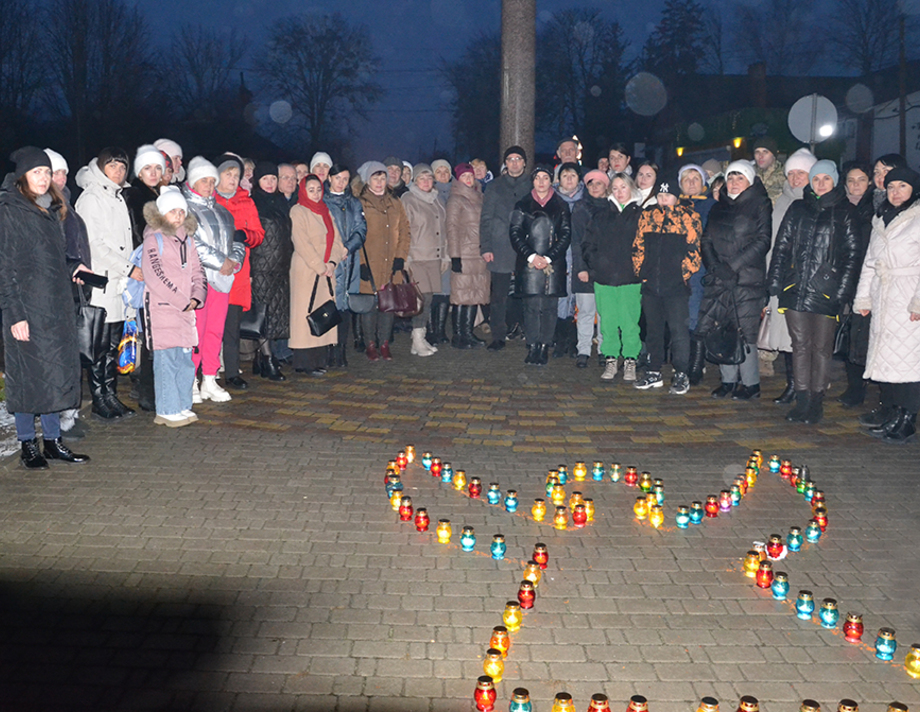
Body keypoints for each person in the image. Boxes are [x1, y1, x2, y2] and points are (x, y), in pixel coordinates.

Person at [0, 147, 89, 467]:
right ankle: (28, 445)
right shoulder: (10, 210)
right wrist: (15, 316)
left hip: (55, 309)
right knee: (27, 378)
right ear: (23, 176)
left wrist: (73, 270)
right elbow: (5, 267)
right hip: (25, 310)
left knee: (54, 375)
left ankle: (53, 441)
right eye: (36, 172)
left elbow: (49, 261)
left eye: (47, 172)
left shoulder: (51, 209)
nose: (43, 178)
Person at [767, 160, 860, 424]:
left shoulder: (845, 211)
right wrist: (775, 281)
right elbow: (781, 246)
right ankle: (802, 398)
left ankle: (817, 400)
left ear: (834, 181)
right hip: (796, 288)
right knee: (799, 346)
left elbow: (852, 255)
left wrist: (843, 291)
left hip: (826, 291)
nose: (820, 183)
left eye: (826, 179)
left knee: (821, 348)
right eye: (816, 178)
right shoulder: (798, 208)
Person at [853, 166, 920, 443]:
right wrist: (863, 297)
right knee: (889, 360)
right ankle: (893, 413)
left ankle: (908, 419)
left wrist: (918, 302)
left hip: (907, 298)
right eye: (891, 187)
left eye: (902, 186)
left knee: (910, 361)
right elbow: (870, 263)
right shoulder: (881, 219)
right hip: (884, 296)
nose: (895, 192)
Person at [696, 161, 771, 401]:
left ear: (749, 180)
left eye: (739, 178)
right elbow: (705, 240)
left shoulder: (760, 204)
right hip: (720, 277)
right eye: (730, 178)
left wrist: (733, 266)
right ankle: (727, 380)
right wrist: (715, 266)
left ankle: (750, 383)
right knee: (720, 327)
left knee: (745, 330)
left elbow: (762, 241)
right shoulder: (719, 207)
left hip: (747, 278)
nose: (734, 183)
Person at [75, 147, 138, 421]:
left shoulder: (118, 195)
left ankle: (111, 395)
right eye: (113, 166)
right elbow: (94, 244)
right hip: (102, 281)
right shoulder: (91, 198)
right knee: (99, 346)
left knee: (113, 345)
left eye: (123, 167)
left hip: (118, 283)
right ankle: (99, 398)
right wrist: (128, 268)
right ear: (101, 168)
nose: (119, 172)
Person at [140, 187, 206, 427]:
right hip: (163, 309)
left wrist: (197, 296)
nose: (178, 216)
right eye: (172, 211)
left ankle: (182, 404)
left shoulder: (188, 240)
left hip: (186, 311)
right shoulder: (153, 239)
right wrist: (181, 300)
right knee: (166, 359)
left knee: (185, 360)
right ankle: (167, 408)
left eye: (181, 211)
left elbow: (198, 271)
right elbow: (154, 275)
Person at [632, 176, 702, 394]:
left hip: (676, 287)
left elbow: (694, 251)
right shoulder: (647, 216)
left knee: (679, 331)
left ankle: (681, 374)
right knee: (653, 331)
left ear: (676, 196)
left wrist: (680, 274)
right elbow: (638, 246)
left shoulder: (689, 217)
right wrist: (642, 272)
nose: (663, 200)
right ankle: (654, 371)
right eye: (660, 196)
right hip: (651, 285)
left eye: (668, 196)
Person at [182, 156, 243, 403]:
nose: (208, 185)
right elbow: (191, 243)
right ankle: (191, 380)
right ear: (193, 181)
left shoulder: (223, 212)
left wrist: (234, 261)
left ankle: (210, 377)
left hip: (222, 281)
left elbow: (237, 240)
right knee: (196, 330)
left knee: (215, 330)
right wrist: (221, 261)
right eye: (203, 180)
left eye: (211, 181)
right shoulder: (185, 210)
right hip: (198, 281)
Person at [761, 148, 817, 402]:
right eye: (792, 173)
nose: (795, 179)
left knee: (805, 336)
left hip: (807, 279)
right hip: (781, 275)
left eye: (801, 173)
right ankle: (793, 383)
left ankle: (806, 387)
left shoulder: (817, 201)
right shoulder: (782, 200)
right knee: (785, 335)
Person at [46, 149, 92, 441]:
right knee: (60, 357)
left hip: (75, 288)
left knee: (73, 355)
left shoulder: (67, 204)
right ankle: (61, 419)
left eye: (63, 172)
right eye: (54, 173)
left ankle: (71, 414)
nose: (61, 178)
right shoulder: (46, 208)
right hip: (57, 292)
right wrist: (72, 267)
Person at [509, 165, 572, 365]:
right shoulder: (522, 204)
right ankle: (533, 345)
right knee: (532, 307)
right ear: (533, 181)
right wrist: (531, 256)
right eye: (538, 178)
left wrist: (549, 258)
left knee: (550, 307)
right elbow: (515, 232)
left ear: (551, 180)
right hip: (529, 264)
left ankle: (544, 345)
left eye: (546, 177)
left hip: (553, 264)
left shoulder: (561, 205)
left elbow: (566, 234)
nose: (542, 182)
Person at [581, 172, 642, 382]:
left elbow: (647, 247)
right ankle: (611, 358)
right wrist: (596, 264)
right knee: (607, 321)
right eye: (615, 188)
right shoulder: (601, 215)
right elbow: (588, 244)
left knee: (629, 322)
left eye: (623, 187)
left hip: (630, 279)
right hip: (604, 278)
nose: (619, 192)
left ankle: (631, 359)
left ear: (631, 188)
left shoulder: (641, 215)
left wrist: (641, 269)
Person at [213, 153, 265, 390]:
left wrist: (245, 235)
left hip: (237, 274)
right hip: (212, 273)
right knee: (210, 326)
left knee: (232, 327)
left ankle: (232, 372)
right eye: (228, 175)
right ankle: (209, 372)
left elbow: (258, 234)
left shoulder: (247, 202)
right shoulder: (208, 200)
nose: (233, 180)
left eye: (237, 175)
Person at [289, 174, 347, 374]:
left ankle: (319, 360)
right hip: (307, 270)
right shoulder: (298, 211)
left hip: (326, 272)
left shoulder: (326, 211)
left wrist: (332, 263)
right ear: (304, 191)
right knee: (305, 315)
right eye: (311, 190)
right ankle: (304, 363)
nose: (315, 194)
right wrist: (320, 266)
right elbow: (301, 242)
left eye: (318, 189)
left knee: (323, 313)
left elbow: (337, 241)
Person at [124, 144, 168, 412]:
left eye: (157, 168)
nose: (153, 172)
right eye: (148, 168)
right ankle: (147, 393)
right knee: (148, 334)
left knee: (159, 334)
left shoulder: (162, 194)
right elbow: (135, 235)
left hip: (163, 269)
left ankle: (156, 389)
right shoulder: (135, 196)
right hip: (146, 268)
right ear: (139, 171)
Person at [357, 161, 411, 361]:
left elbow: (405, 231)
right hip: (370, 262)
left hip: (391, 262)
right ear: (367, 180)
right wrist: (361, 263)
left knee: (388, 305)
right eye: (375, 178)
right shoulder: (360, 203)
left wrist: (400, 257)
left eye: (382, 178)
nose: (379, 183)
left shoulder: (395, 202)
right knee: (370, 305)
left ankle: (384, 343)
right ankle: (370, 344)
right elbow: (356, 235)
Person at [480, 146, 531, 351]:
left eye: (519, 159)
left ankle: (529, 333)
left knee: (528, 293)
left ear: (524, 162)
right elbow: (486, 217)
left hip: (526, 247)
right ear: (505, 163)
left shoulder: (533, 184)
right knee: (499, 296)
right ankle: (498, 335)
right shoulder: (494, 186)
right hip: (500, 246)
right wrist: (486, 246)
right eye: (510, 159)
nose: (515, 163)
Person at [249, 163, 293, 381]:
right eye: (265, 179)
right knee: (263, 315)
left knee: (275, 314)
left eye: (273, 179)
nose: (270, 183)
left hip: (281, 266)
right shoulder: (253, 203)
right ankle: (268, 360)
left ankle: (261, 359)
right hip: (261, 267)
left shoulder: (280, 203)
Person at [837, 161, 875, 407]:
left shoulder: (874, 209)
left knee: (863, 334)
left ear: (869, 182)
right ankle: (853, 386)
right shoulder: (840, 207)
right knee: (848, 333)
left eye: (861, 179)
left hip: (867, 278)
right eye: (851, 180)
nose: (855, 185)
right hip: (843, 278)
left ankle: (863, 386)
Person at [401, 163, 447, 357]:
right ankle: (417, 338)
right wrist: (406, 257)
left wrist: (446, 254)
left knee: (429, 299)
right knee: (421, 299)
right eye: (422, 178)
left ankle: (420, 338)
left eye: (429, 178)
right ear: (415, 180)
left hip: (435, 256)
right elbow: (403, 230)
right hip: (417, 257)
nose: (426, 182)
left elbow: (444, 229)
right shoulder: (408, 199)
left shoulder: (437, 199)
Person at [324, 164, 367, 368]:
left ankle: (341, 350)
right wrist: (335, 251)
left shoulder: (354, 203)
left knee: (346, 306)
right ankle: (328, 350)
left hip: (349, 260)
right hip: (329, 261)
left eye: (345, 179)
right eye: (338, 178)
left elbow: (361, 229)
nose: (341, 183)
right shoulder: (323, 201)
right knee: (330, 304)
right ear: (330, 178)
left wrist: (348, 248)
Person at [679, 163, 715, 385]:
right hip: (675, 271)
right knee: (678, 319)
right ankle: (681, 362)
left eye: (695, 178)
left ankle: (696, 363)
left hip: (699, 269)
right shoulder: (673, 205)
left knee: (694, 317)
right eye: (686, 179)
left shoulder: (712, 206)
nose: (691, 183)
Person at [446, 163, 488, 349]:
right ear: (458, 179)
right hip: (464, 254)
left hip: (479, 254)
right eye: (464, 176)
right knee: (460, 297)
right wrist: (455, 256)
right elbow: (452, 228)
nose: (469, 179)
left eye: (470, 176)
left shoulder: (480, 197)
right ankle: (458, 335)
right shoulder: (456, 199)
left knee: (474, 295)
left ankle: (468, 333)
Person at [571, 169, 609, 367]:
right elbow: (576, 241)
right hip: (585, 267)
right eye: (591, 184)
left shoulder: (613, 208)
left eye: (599, 183)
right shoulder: (580, 208)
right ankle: (583, 350)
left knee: (604, 312)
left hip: (606, 269)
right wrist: (581, 268)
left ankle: (603, 349)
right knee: (585, 311)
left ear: (606, 186)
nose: (595, 188)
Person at [552, 162, 583, 358]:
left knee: (576, 299)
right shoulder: (552, 200)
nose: (569, 179)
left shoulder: (586, 200)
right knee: (559, 297)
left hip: (579, 257)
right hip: (558, 256)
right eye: (565, 175)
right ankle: (559, 341)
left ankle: (574, 341)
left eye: (573, 175)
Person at [752, 136, 785, 204]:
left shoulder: (785, 174)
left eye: (765, 152)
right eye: (757, 152)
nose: (760, 156)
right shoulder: (749, 173)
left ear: (773, 155)